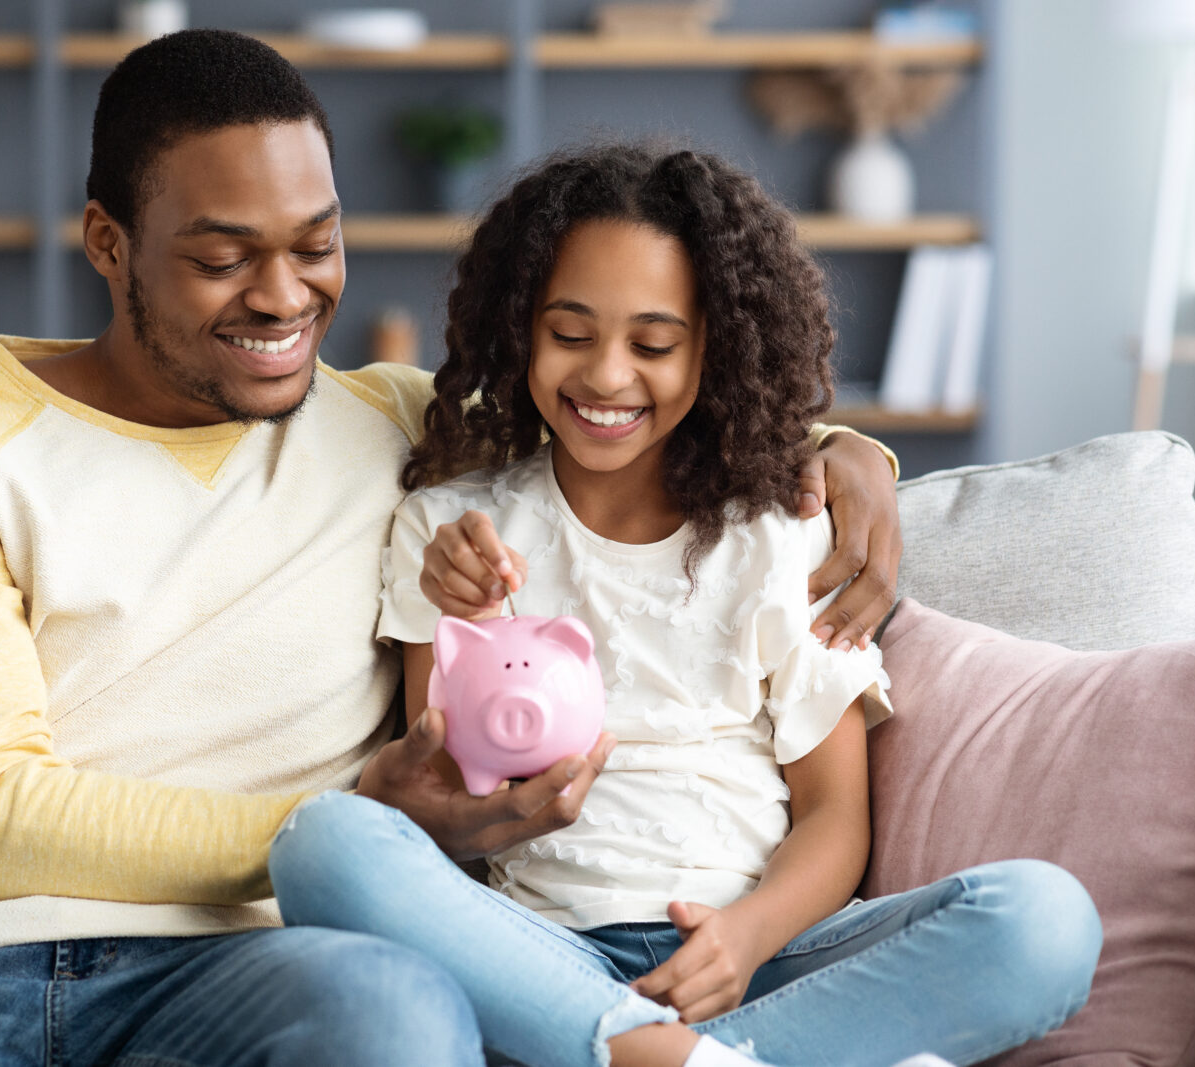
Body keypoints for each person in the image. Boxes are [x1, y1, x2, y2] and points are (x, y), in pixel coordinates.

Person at [0, 33, 904, 1066]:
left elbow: (626, 411)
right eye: (221, 257)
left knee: (400, 1013)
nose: (284, 297)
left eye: (315, 246)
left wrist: (844, 451)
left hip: (260, 967)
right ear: (107, 244)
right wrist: (347, 820)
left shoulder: (396, 421)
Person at [268, 143, 1104, 1067]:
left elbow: (835, 817)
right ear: (520, 327)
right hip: (546, 957)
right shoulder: (452, 531)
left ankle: (648, 1055)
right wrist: (465, 622)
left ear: (718, 347)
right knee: (325, 841)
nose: (607, 378)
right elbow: (442, 808)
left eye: (654, 345)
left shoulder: (785, 532)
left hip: (761, 959)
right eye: (570, 333)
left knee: (1045, 920)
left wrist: (742, 939)